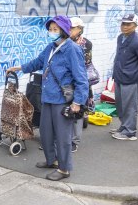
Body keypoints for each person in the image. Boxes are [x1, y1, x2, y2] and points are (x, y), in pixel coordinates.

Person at [7, 15, 88, 181]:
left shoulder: (72, 49)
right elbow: (37, 62)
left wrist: (78, 102)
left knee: (63, 136)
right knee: (46, 132)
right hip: (48, 97)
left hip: (62, 100)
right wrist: (20, 68)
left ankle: (64, 169)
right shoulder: (51, 47)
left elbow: (81, 78)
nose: (51, 32)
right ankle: (52, 160)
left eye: (55, 29)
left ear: (64, 31)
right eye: (50, 29)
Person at [110, 14, 138, 141]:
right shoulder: (120, 38)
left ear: (135, 25)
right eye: (123, 23)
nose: (124, 26)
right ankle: (124, 126)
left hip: (131, 78)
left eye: (128, 24)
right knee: (120, 104)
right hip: (119, 76)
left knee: (130, 106)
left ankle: (130, 131)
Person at [69, 17, 93, 153]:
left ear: (80, 29)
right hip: (66, 84)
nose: (69, 30)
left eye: (72, 28)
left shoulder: (85, 44)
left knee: (77, 111)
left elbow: (83, 65)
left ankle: (74, 141)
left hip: (80, 82)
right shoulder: (64, 42)